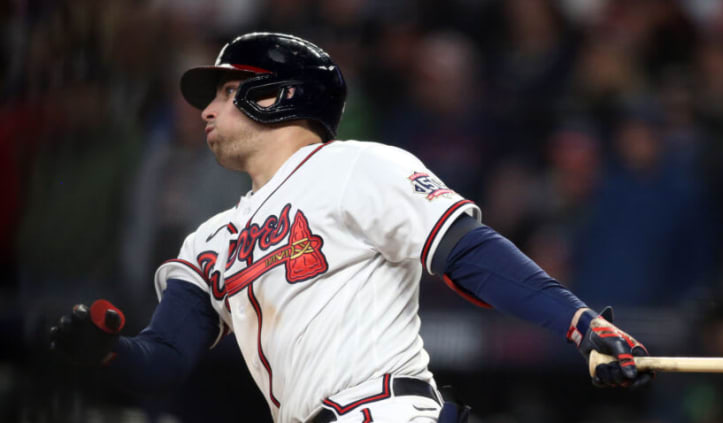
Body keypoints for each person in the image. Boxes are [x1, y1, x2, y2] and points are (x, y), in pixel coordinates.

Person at [48, 32, 652, 423]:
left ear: (277, 94)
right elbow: (164, 362)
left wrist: (579, 322)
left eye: (229, 91)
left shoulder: (358, 165)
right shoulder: (208, 241)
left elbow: (470, 253)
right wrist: (105, 354)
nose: (207, 109)